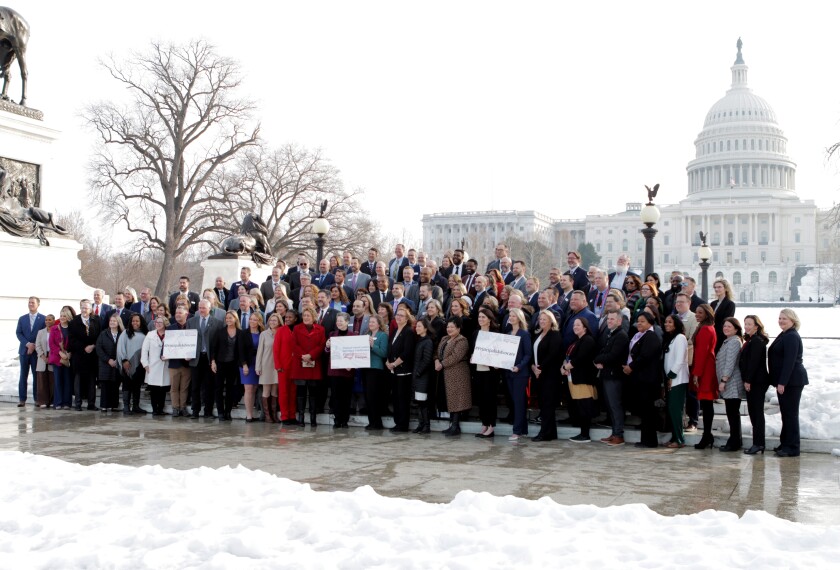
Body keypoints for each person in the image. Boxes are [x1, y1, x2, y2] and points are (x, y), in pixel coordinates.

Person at [768, 309, 808, 457]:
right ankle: (785, 443)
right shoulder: (785, 334)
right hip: (786, 380)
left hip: (792, 381)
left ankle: (792, 447)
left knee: (790, 414)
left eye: (785, 318)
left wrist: (782, 382)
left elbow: (789, 362)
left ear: (793, 320)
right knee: (786, 413)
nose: (781, 321)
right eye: (780, 318)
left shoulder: (791, 336)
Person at [622, 312, 664, 448]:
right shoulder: (639, 336)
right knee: (645, 411)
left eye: (643, 321)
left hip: (648, 381)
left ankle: (650, 441)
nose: (639, 323)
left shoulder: (650, 337)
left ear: (650, 323)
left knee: (648, 412)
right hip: (640, 380)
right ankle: (645, 439)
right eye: (638, 321)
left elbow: (644, 356)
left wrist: (631, 367)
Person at [593, 309, 630, 446]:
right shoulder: (610, 333)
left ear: (619, 321)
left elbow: (612, 356)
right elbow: (603, 352)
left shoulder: (621, 335)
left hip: (614, 376)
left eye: (612, 319)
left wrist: (599, 360)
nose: (609, 321)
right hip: (607, 375)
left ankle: (618, 435)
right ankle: (615, 433)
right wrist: (598, 359)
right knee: (610, 406)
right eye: (608, 319)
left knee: (615, 406)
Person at [562, 316, 599, 443]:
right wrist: (564, 367)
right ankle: (582, 433)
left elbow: (580, 358)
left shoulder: (588, 340)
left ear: (585, 327)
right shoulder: (576, 340)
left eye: (578, 325)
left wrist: (566, 366)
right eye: (574, 325)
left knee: (585, 406)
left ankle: (585, 434)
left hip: (584, 378)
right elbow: (569, 357)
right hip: (574, 378)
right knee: (580, 406)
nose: (575, 327)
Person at [434, 316, 471, 436]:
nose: (449, 329)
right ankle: (452, 425)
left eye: (452, 327)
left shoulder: (462, 340)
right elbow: (437, 352)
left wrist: (442, 364)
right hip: (445, 373)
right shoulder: (445, 338)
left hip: (458, 374)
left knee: (457, 400)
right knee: (449, 399)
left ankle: (455, 426)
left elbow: (456, 356)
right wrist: (436, 361)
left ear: (459, 328)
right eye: (448, 327)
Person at [530, 311, 563, 442]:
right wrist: (533, 366)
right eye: (540, 319)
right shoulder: (538, 334)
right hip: (538, 374)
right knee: (543, 404)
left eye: (545, 319)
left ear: (551, 321)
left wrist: (540, 368)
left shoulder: (555, 335)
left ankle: (545, 433)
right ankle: (551, 432)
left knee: (547, 405)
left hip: (549, 375)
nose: (542, 321)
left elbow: (553, 354)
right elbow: (534, 353)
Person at [291, 307, 326, 426]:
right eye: (304, 315)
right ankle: (301, 417)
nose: (306, 317)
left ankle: (313, 417)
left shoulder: (321, 329)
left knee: (313, 392)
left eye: (308, 315)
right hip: (300, 364)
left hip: (314, 363)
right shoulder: (296, 328)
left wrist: (311, 355)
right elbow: (294, 344)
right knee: (300, 392)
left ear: (313, 317)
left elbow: (322, 345)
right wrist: (303, 356)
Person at [740, 315, 769, 455]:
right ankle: (758, 443)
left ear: (756, 326)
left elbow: (754, 363)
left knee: (756, 413)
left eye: (749, 324)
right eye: (745, 324)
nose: (746, 326)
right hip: (754, 381)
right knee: (753, 412)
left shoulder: (757, 341)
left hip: (756, 382)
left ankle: (758, 444)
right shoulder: (752, 340)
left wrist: (748, 380)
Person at [690, 304, 718, 449]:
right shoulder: (705, 327)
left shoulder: (706, 329)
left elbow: (702, 353)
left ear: (707, 314)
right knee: (706, 405)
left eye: (700, 312)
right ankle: (707, 435)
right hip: (706, 367)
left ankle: (706, 435)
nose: (697, 314)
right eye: (696, 312)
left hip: (706, 369)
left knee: (707, 404)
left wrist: (697, 373)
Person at [717, 317, 745, 452]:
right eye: (725, 326)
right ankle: (735, 440)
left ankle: (734, 442)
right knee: (731, 413)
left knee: (733, 413)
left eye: (729, 326)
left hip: (732, 383)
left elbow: (730, 363)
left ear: (736, 329)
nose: (726, 328)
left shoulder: (734, 342)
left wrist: (723, 380)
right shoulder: (728, 341)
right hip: (729, 382)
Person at [503, 308, 532, 442]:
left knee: (519, 402)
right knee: (516, 401)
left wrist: (519, 367)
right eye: (510, 315)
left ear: (519, 318)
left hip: (520, 374)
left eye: (514, 316)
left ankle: (517, 431)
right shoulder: (508, 333)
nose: (511, 317)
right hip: (509, 372)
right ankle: (524, 430)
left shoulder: (524, 334)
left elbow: (528, 354)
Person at [325, 313, 358, 428]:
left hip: (347, 371)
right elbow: (327, 352)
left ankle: (345, 420)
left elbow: (355, 353)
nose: (338, 323)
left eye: (341, 321)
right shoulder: (332, 334)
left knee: (346, 396)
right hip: (334, 371)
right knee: (335, 396)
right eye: (337, 321)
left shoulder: (353, 336)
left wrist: (351, 364)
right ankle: (337, 420)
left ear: (347, 322)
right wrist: (327, 346)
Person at [472, 308, 501, 438]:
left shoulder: (495, 333)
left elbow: (499, 353)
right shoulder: (475, 333)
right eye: (479, 317)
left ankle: (491, 426)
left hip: (491, 372)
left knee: (490, 399)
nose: (481, 319)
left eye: (484, 317)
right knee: (481, 399)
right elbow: (472, 350)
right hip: (478, 370)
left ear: (489, 319)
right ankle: (484, 423)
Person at [69, 300, 101, 411]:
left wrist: (93, 346)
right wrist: (83, 347)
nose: (84, 310)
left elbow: (100, 336)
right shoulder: (74, 321)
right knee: (78, 380)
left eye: (86, 308)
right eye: (82, 308)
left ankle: (91, 403)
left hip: (92, 356)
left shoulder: (96, 320)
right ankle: (78, 403)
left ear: (90, 309)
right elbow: (72, 340)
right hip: (79, 355)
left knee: (92, 380)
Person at [387, 306, 415, 433]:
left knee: (402, 399)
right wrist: (388, 362)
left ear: (407, 318)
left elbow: (407, 352)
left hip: (403, 371)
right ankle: (397, 422)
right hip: (393, 370)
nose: (398, 317)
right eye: (397, 315)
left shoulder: (409, 331)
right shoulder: (394, 331)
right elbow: (390, 349)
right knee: (396, 398)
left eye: (401, 315)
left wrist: (394, 364)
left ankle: (403, 425)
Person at [662, 315, 689, 448]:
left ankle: (679, 439)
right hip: (671, 379)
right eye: (666, 322)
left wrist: (671, 376)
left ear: (676, 324)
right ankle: (674, 436)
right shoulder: (671, 338)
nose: (667, 324)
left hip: (677, 379)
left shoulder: (680, 338)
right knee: (671, 409)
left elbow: (679, 360)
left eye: (670, 322)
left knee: (675, 409)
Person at [16, 296, 45, 407]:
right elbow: (19, 333)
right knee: (23, 375)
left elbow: (42, 334)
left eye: (33, 302)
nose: (30, 304)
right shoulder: (22, 318)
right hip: (24, 351)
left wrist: (34, 346)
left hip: (36, 352)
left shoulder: (43, 319)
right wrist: (28, 344)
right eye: (29, 302)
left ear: (38, 304)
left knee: (36, 376)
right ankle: (22, 399)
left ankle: (37, 399)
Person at [117, 313, 148, 415]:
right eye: (133, 321)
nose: (135, 323)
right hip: (127, 364)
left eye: (137, 321)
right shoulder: (125, 333)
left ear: (141, 322)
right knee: (127, 385)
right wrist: (124, 360)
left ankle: (136, 406)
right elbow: (120, 347)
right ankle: (126, 407)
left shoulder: (145, 334)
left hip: (139, 365)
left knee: (137, 386)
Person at [362, 314, 389, 431]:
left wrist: (373, 345)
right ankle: (371, 421)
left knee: (374, 396)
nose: (371, 324)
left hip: (376, 369)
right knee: (368, 396)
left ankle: (377, 422)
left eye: (373, 322)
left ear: (379, 323)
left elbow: (384, 353)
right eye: (370, 322)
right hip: (365, 368)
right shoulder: (366, 335)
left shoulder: (383, 335)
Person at [141, 316, 171, 416]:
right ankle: (154, 409)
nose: (158, 324)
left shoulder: (170, 334)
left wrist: (169, 357)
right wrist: (145, 364)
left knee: (162, 389)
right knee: (154, 390)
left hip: (165, 366)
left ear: (165, 324)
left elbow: (173, 349)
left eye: (160, 322)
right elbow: (144, 351)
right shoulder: (150, 335)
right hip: (152, 366)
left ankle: (160, 409)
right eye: (156, 322)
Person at [274, 309, 298, 425]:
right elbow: (276, 349)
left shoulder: (298, 330)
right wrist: (278, 365)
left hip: (295, 367)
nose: (287, 319)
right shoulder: (280, 331)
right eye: (286, 317)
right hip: (283, 367)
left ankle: (292, 415)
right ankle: (284, 416)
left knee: (293, 392)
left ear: (295, 319)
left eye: (290, 317)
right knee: (283, 392)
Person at [256, 313, 281, 423]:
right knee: (266, 391)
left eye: (275, 320)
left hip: (277, 365)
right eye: (271, 320)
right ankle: (267, 415)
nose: (272, 322)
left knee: (274, 391)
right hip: (266, 364)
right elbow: (259, 351)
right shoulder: (264, 334)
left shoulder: (281, 332)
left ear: (279, 321)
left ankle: (274, 413)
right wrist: (258, 366)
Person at [96, 314, 124, 412]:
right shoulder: (103, 334)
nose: (112, 322)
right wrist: (108, 360)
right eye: (111, 321)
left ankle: (113, 405)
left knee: (115, 385)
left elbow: (124, 349)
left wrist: (117, 360)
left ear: (118, 323)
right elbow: (99, 348)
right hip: (105, 364)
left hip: (117, 364)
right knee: (105, 386)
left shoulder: (122, 334)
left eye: (114, 321)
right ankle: (104, 405)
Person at [49, 306, 75, 410]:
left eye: (64, 316)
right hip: (57, 358)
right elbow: (51, 344)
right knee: (58, 381)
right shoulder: (54, 328)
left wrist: (69, 353)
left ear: (68, 317)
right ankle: (58, 402)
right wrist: (60, 353)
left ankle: (67, 403)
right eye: (61, 316)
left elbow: (73, 342)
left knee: (67, 381)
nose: (62, 318)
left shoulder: (72, 328)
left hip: (68, 358)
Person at [239, 312, 263, 422]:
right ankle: (249, 415)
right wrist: (244, 365)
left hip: (258, 363)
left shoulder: (262, 333)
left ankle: (252, 413)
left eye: (255, 320)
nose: (252, 321)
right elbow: (240, 351)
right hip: (247, 364)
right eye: (251, 319)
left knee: (254, 389)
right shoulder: (244, 333)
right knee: (248, 388)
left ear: (259, 321)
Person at [412, 318, 435, 434]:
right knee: (419, 402)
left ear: (425, 328)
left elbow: (426, 360)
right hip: (418, 377)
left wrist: (418, 373)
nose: (417, 328)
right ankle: (421, 424)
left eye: (419, 326)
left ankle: (426, 425)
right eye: (416, 326)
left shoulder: (428, 341)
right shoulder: (419, 340)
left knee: (423, 402)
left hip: (423, 378)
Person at [34, 314, 55, 409]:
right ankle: (42, 400)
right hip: (42, 358)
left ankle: (51, 401)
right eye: (46, 320)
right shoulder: (40, 332)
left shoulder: (55, 331)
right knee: (41, 381)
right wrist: (43, 356)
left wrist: (51, 356)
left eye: (49, 320)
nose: (47, 321)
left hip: (53, 356)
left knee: (52, 380)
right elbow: (37, 345)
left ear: (53, 321)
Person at [710, 279, 736, 352]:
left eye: (719, 287)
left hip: (721, 335)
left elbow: (727, 320)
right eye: (715, 287)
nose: (716, 289)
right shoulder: (713, 303)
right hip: (712, 333)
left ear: (725, 288)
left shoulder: (730, 304)